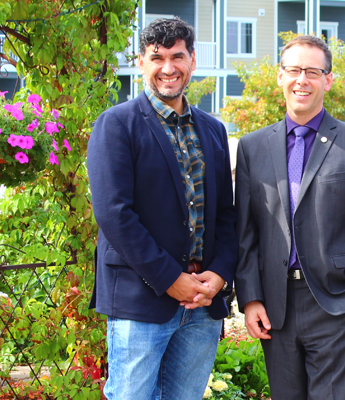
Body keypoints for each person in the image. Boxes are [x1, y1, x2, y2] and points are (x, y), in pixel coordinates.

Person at [87, 17, 238, 400]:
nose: (168, 68)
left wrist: (219, 274)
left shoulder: (213, 130)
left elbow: (225, 213)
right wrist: (171, 278)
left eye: (177, 56)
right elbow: (114, 214)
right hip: (142, 300)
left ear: (192, 60)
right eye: (157, 58)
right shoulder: (116, 125)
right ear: (141, 62)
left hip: (203, 305)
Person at [233, 35, 345, 400]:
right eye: (294, 70)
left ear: (328, 80)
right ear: (279, 76)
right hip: (276, 306)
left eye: (312, 71)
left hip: (336, 304)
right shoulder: (253, 147)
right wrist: (251, 298)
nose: (302, 79)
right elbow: (246, 232)